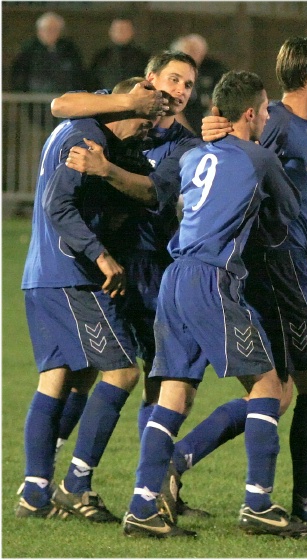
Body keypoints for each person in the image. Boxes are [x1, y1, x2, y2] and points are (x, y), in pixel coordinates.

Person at [159, 35, 307, 534]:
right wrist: (214, 130)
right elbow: (235, 167)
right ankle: (305, 505)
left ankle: (173, 463)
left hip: (292, 267)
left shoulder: (300, 128)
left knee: (278, 394)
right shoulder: (279, 125)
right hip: (276, 276)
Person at [120, 70, 307, 539]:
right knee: (269, 387)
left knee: (174, 395)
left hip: (174, 277)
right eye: (265, 110)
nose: (268, 117)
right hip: (211, 280)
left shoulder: (192, 155)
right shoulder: (259, 158)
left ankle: (142, 508)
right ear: (249, 113)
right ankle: (258, 505)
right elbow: (287, 213)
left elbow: (178, 203)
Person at [16, 79, 157, 522]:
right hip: (69, 276)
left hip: (39, 274)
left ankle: (35, 492)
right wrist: (100, 254)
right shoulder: (88, 139)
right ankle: (76, 485)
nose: (146, 129)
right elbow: (60, 205)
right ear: (123, 108)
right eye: (143, 119)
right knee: (121, 372)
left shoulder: (75, 126)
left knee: (63, 378)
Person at [50, 51, 199, 461]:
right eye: (174, 79)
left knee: (162, 374)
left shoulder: (186, 145)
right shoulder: (117, 107)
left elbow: (153, 192)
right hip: (105, 265)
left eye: (188, 84)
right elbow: (60, 105)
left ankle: (151, 483)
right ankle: (48, 470)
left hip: (153, 266)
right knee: (83, 371)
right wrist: (126, 103)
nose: (181, 90)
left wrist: (106, 170)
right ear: (149, 80)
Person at [10, 11, 85, 93]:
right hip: (34, 99)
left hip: (63, 98)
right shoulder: (28, 50)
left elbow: (79, 75)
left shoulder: (69, 50)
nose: (50, 33)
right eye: (47, 29)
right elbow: (19, 76)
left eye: (55, 29)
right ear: (39, 31)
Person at [170, 33, 228, 134]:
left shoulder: (213, 69)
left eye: (198, 52)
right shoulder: (171, 73)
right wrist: (189, 136)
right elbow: (172, 109)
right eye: (190, 51)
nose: (194, 55)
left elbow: (218, 102)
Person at [89, 17, 150, 91]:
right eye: (117, 29)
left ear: (132, 32)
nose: (121, 32)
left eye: (125, 29)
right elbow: (92, 82)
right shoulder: (101, 57)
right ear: (110, 32)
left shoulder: (143, 58)